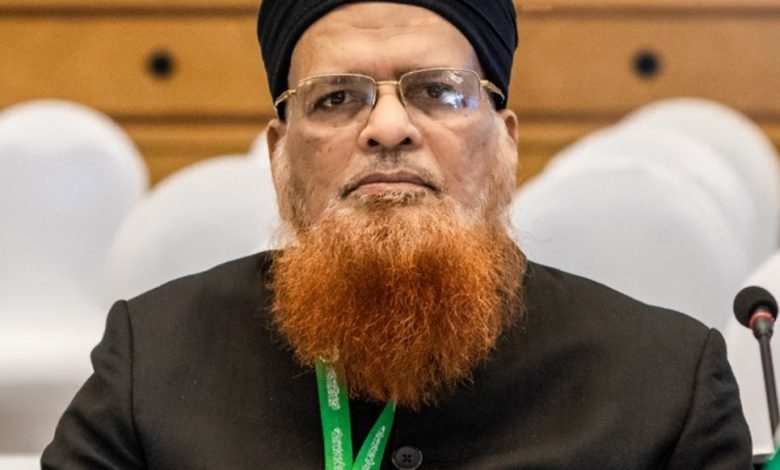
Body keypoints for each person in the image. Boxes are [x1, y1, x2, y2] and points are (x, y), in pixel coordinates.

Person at [42, 0, 752, 468]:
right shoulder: (153, 362)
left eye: (437, 91)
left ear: (504, 144)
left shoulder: (665, 384)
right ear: (281, 157)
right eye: (336, 98)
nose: (387, 128)